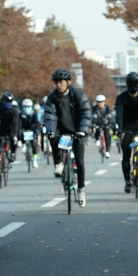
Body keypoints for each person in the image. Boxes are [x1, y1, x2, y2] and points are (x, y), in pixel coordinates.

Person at [43, 68, 92, 207]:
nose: (58, 85)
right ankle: (59, 163)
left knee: (80, 161)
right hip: (61, 128)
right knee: (52, 135)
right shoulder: (52, 97)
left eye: (61, 82)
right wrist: (51, 130)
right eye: (56, 82)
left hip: (77, 131)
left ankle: (81, 191)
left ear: (68, 82)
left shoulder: (79, 95)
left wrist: (83, 131)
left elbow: (86, 114)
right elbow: (50, 116)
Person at [0, 92, 20, 181]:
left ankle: (12, 153)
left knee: (13, 139)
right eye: (5, 101)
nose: (7, 103)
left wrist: (15, 135)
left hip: (9, 130)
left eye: (9, 101)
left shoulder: (14, 111)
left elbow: (15, 124)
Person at [19, 98, 40, 168]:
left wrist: (36, 130)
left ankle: (35, 160)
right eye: (25, 107)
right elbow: (19, 124)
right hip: (24, 129)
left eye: (28, 107)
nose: (27, 108)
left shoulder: (34, 113)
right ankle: (24, 145)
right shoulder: (21, 114)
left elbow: (37, 123)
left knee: (34, 144)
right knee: (21, 133)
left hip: (32, 129)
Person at [91, 94, 114, 158]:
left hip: (106, 124)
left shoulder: (107, 108)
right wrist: (93, 123)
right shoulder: (94, 108)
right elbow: (92, 117)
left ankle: (107, 151)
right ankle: (97, 140)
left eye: (101, 102)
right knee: (96, 129)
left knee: (107, 136)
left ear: (104, 102)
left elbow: (110, 116)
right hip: (97, 123)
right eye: (98, 102)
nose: (100, 103)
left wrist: (111, 123)